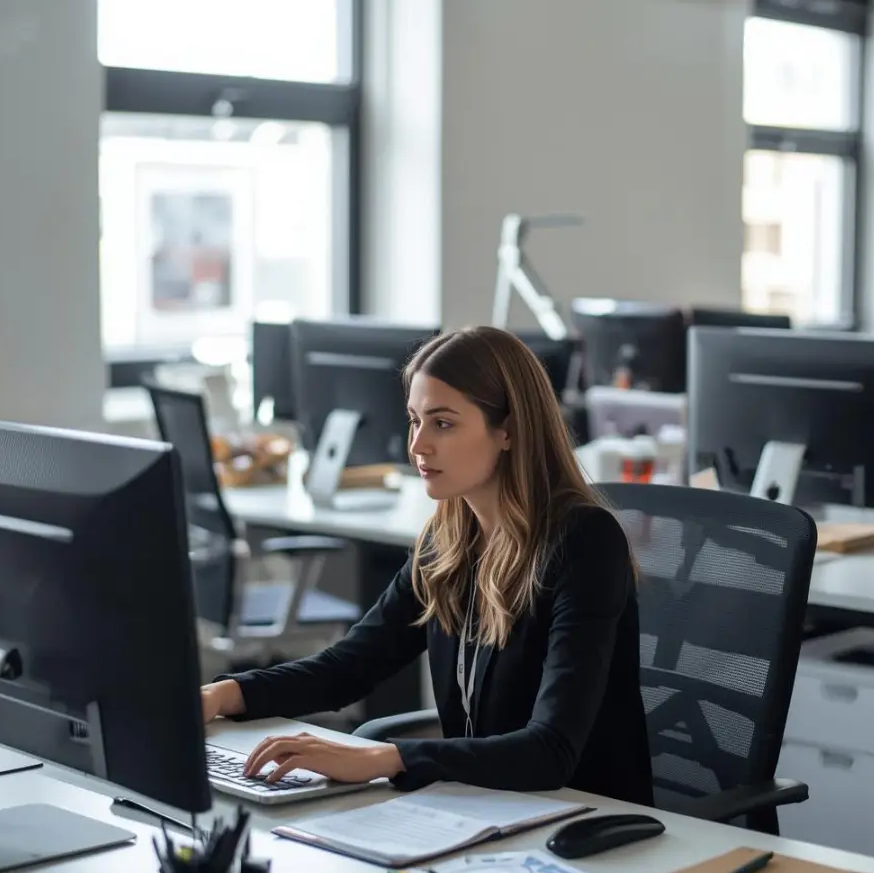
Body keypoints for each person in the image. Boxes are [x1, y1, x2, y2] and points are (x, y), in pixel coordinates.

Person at [201, 326, 653, 805]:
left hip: (584, 821)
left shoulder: (583, 543)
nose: (417, 446)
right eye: (414, 421)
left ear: (508, 430)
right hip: (480, 804)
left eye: (443, 423)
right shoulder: (449, 539)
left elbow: (551, 751)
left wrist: (385, 759)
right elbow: (348, 668)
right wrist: (221, 696)